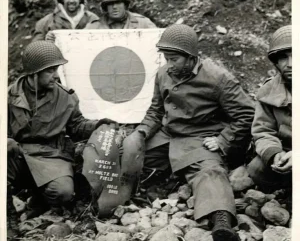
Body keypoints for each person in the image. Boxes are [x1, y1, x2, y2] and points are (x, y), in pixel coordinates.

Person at [121, 24, 254, 241]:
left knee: (210, 171)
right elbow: (156, 111)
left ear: (191, 57)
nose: (169, 65)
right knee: (128, 155)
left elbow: (247, 113)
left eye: (174, 59)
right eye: (166, 58)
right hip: (167, 134)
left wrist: (223, 140)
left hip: (200, 137)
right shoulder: (163, 73)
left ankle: (221, 219)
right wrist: (141, 133)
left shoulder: (217, 77)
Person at [7, 41, 116, 230]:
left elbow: (76, 126)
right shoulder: (8, 96)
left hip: (50, 155)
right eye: (50, 71)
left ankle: (39, 200)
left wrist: (98, 125)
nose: (56, 75)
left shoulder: (65, 97)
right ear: (34, 74)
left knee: (63, 192)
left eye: (56, 69)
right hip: (17, 155)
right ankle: (8, 217)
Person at [247, 25, 292, 192]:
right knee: (256, 169)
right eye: (283, 58)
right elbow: (263, 131)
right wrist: (274, 154)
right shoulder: (268, 91)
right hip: (286, 152)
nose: (290, 64)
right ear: (276, 62)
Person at [32, 0, 98, 42]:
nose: (71, 0)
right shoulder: (45, 23)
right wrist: (46, 43)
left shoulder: (92, 19)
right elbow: (34, 49)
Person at [85, 0, 156, 29]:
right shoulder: (93, 27)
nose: (114, 7)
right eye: (110, 3)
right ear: (105, 7)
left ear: (125, 5)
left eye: (118, 2)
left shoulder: (143, 23)